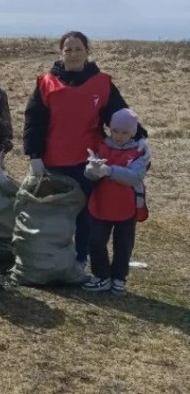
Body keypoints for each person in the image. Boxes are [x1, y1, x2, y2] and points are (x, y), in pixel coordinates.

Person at [23, 31, 149, 267]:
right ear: (61, 53)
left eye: (78, 49)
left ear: (87, 52)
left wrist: (140, 137)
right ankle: (53, 260)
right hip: (53, 160)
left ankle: (81, 259)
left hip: (90, 161)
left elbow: (119, 115)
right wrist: (34, 154)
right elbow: (34, 120)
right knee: (56, 214)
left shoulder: (102, 82)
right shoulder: (46, 82)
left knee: (87, 214)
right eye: (68, 49)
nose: (73, 54)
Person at [82, 109, 150, 295]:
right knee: (95, 242)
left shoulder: (139, 151)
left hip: (127, 207)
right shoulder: (101, 146)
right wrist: (92, 169)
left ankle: (119, 278)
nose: (119, 136)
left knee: (123, 245)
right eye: (115, 131)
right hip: (100, 204)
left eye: (124, 132)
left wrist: (109, 170)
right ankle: (101, 276)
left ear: (133, 132)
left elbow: (135, 176)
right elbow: (90, 174)